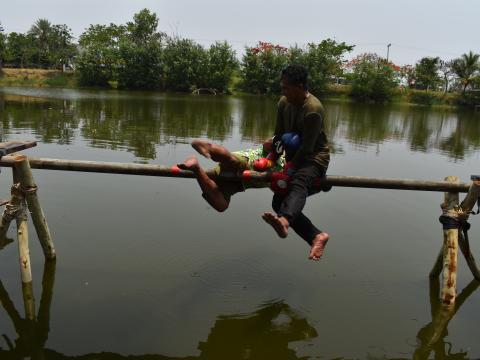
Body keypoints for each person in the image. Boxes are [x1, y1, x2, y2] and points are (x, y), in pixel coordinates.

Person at [261, 64, 330, 261]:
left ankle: (284, 220)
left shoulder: (313, 109)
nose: (283, 91)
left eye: (286, 87)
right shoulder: (283, 103)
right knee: (278, 201)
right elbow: (279, 136)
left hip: (314, 159)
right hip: (292, 157)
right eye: (282, 87)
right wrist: (271, 159)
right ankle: (317, 236)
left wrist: (290, 169)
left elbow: (308, 148)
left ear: (299, 87)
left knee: (299, 182)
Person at [178, 139, 284, 212]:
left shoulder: (287, 175)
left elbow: (276, 188)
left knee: (221, 205)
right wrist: (278, 143)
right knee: (232, 161)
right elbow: (267, 144)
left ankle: (195, 167)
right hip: (247, 162)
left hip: (241, 184)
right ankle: (207, 147)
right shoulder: (282, 154)